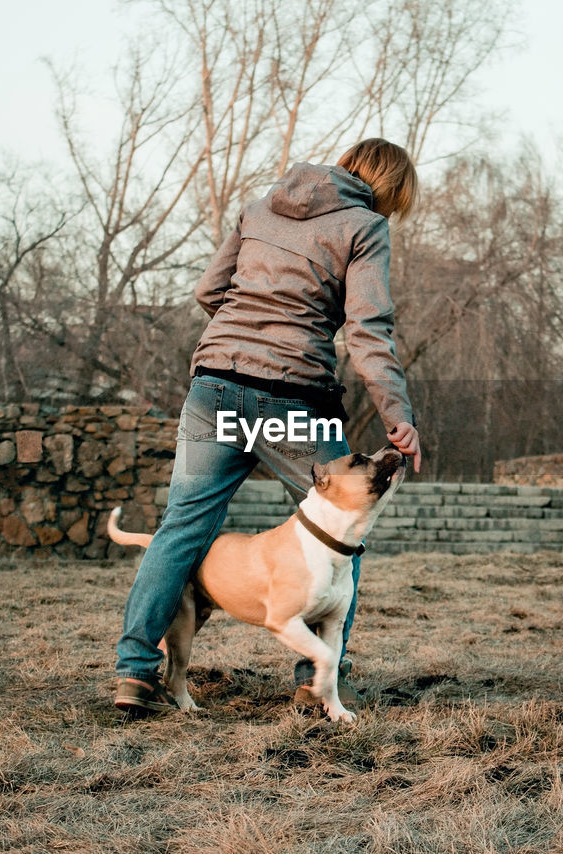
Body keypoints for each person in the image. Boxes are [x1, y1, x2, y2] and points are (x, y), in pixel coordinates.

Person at [114, 138, 423, 713]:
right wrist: (397, 415)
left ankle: (134, 673)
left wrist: (244, 333)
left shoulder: (261, 208)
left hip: (216, 390)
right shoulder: (364, 226)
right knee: (341, 527)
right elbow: (367, 331)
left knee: (181, 527)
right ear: (390, 191)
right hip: (291, 399)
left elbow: (209, 290)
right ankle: (317, 681)